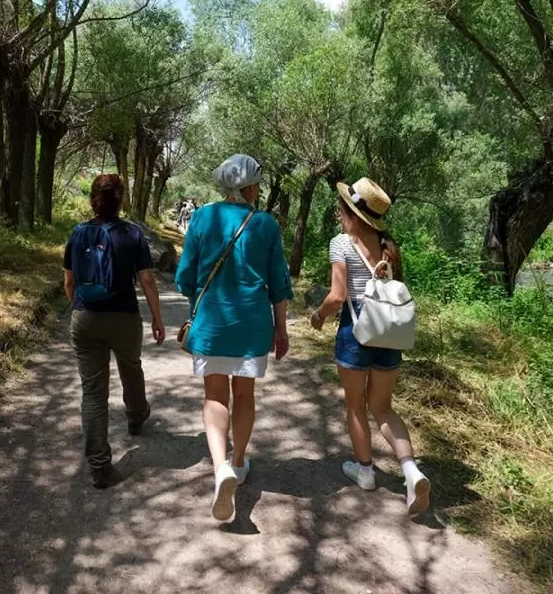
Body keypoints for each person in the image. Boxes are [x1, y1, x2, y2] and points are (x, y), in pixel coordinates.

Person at [175, 154, 292, 521]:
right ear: (250, 187)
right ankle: (238, 462)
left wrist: (199, 299)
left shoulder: (202, 217)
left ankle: (219, 466)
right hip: (253, 323)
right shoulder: (266, 224)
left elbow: (184, 276)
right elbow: (279, 284)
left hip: (212, 322)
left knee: (214, 395)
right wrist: (281, 328)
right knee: (244, 394)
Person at [309, 177, 430, 515]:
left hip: (356, 332)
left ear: (351, 213)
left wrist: (319, 314)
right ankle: (411, 470)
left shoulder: (341, 243)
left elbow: (337, 296)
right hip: (389, 333)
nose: (338, 214)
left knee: (355, 406)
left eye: (341, 208)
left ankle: (365, 471)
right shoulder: (388, 243)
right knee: (384, 407)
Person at [63, 174, 166, 488]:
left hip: (85, 318)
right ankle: (136, 415)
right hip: (124, 317)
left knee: (93, 394)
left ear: (93, 199)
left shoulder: (78, 233)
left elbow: (69, 282)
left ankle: (99, 467)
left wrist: (80, 306)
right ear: (121, 199)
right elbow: (147, 281)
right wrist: (157, 319)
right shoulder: (133, 235)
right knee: (130, 367)